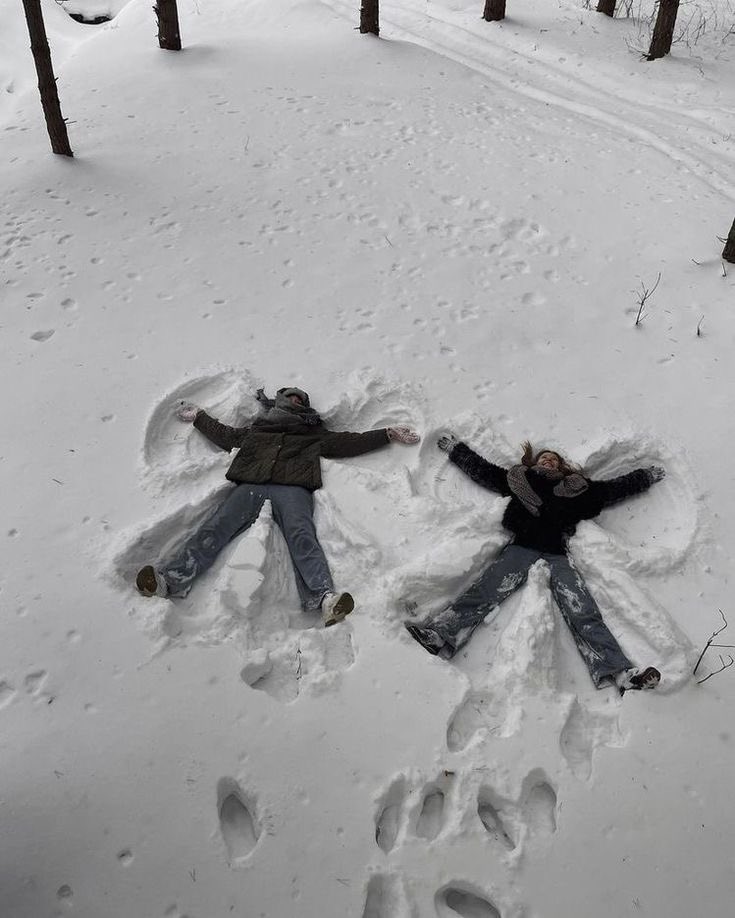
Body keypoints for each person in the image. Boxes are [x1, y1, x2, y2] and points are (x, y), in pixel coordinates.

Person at [136, 386, 420, 626]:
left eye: (301, 400)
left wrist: (387, 433)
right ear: (280, 401)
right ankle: (168, 581)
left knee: (302, 536)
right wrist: (199, 417)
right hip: (250, 485)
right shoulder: (258, 429)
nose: (297, 401)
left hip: (293, 490)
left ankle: (325, 599)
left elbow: (348, 442)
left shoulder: (313, 434)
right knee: (216, 526)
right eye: (292, 397)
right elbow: (225, 435)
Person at [405, 436, 664, 693]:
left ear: (561, 467)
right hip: (521, 547)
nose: (549, 460)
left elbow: (612, 489)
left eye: (554, 459)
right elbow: (484, 471)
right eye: (544, 457)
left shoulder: (578, 489)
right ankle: (439, 635)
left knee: (582, 610)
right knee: (486, 591)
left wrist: (645, 477)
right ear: (535, 463)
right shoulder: (520, 480)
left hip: (556, 554)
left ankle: (621, 673)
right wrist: (456, 450)